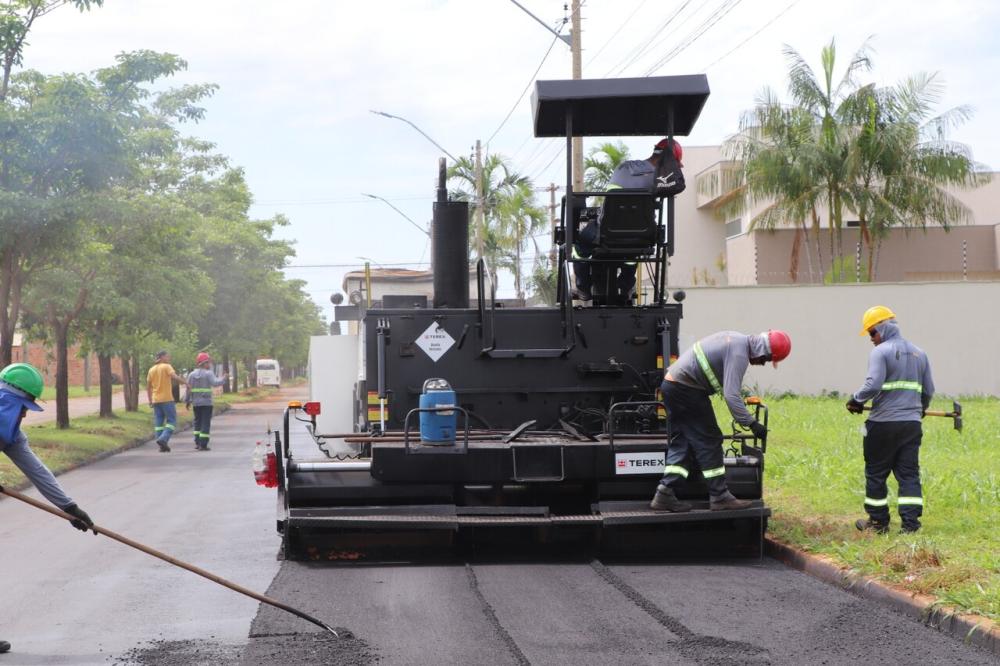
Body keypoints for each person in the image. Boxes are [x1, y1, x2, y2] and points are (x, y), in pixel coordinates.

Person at [0, 363, 96, 656]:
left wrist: (69, 507)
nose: (26, 413)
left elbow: (36, 470)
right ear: (9, 401)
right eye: (24, 407)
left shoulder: (11, 432)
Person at [650, 330, 792, 512]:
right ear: (763, 352)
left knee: (683, 441)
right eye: (766, 360)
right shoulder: (739, 353)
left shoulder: (735, 340)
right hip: (686, 390)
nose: (762, 364)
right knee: (710, 439)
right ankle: (720, 496)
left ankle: (664, 493)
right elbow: (731, 396)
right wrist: (752, 424)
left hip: (672, 387)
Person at [846, 306, 934, 534]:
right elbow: (929, 391)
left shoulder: (881, 352)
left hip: (883, 424)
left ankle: (877, 523)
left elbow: (873, 384)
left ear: (882, 328)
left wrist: (856, 399)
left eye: (872, 333)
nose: (871, 339)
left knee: (876, 472)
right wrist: (920, 409)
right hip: (911, 425)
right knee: (909, 474)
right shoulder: (920, 353)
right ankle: (911, 526)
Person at [573, 138, 684, 302]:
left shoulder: (624, 167)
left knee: (580, 242)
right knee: (632, 251)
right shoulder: (661, 180)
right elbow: (678, 185)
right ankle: (625, 286)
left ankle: (583, 288)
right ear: (668, 160)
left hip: (607, 234)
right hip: (641, 238)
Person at [184, 352, 228, 451]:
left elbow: (188, 388)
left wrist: (187, 400)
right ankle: (203, 444)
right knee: (205, 423)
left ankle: (197, 442)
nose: (210, 364)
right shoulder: (208, 373)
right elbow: (215, 383)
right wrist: (224, 378)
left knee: (197, 422)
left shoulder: (191, 375)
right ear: (204, 363)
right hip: (207, 403)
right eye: (208, 362)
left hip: (196, 403)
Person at [146, 350, 186, 452]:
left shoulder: (151, 370)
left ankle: (162, 446)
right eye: (167, 356)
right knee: (172, 420)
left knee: (159, 423)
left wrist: (150, 400)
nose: (169, 358)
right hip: (167, 399)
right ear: (162, 357)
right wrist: (186, 383)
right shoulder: (166, 366)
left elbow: (148, 387)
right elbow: (174, 377)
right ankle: (163, 439)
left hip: (156, 400)